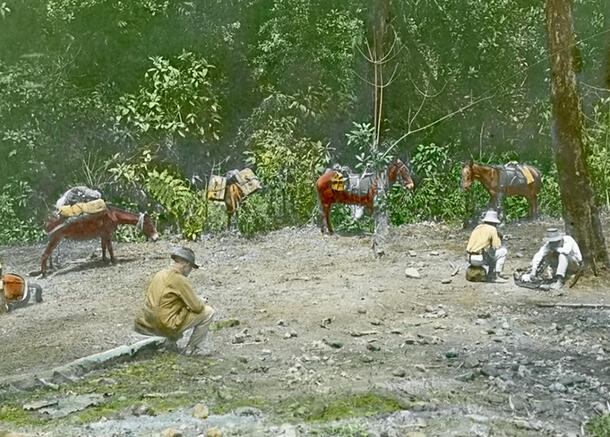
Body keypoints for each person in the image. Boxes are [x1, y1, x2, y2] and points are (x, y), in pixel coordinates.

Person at [134, 247, 215, 356]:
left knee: (176, 311)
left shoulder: (160, 274)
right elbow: (197, 307)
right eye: (191, 267)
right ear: (185, 263)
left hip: (147, 323)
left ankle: (169, 344)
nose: (190, 271)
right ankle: (192, 350)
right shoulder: (179, 279)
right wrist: (200, 300)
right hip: (164, 325)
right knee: (208, 312)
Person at [466, 209, 508, 283]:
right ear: (494, 222)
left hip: (469, 257)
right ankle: (495, 276)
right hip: (479, 259)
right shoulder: (492, 229)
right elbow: (496, 246)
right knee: (503, 252)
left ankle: (491, 275)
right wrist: (501, 240)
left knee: (490, 254)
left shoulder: (478, 227)